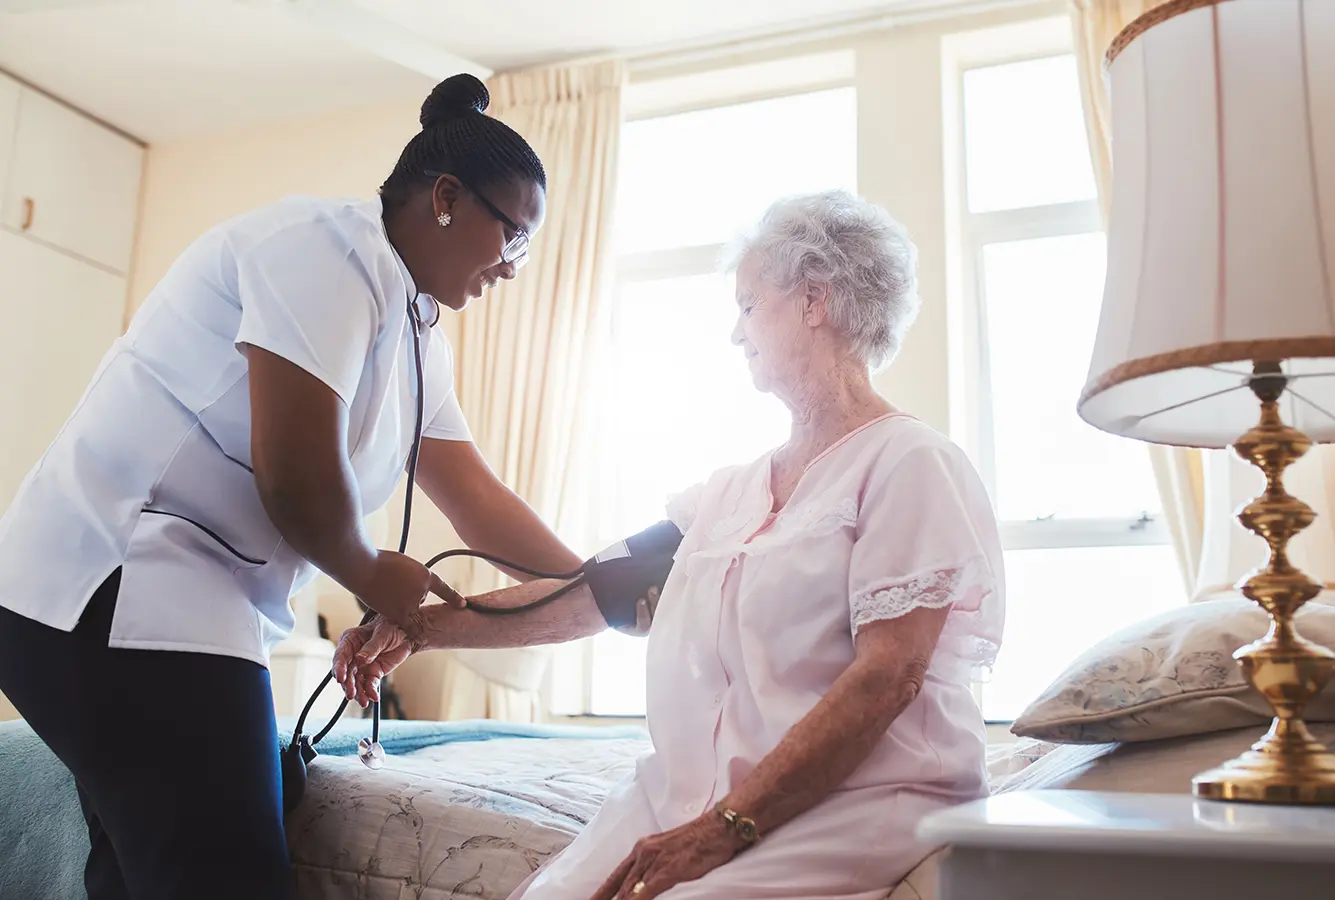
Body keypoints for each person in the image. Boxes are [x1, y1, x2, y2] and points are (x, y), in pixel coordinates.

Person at [0, 73, 582, 900]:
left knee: (198, 840)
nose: (514, 266)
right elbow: (297, 480)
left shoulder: (419, 334)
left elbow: (477, 499)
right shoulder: (321, 250)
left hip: (189, 608)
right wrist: (377, 578)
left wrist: (592, 581)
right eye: (513, 235)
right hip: (112, 590)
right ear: (447, 198)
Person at [336, 190, 1006, 900]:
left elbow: (887, 678)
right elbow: (591, 595)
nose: (736, 333)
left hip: (859, 797)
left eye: (748, 305)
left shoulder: (908, 461)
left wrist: (724, 827)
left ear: (814, 301)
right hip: (699, 791)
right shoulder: (729, 493)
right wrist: (417, 629)